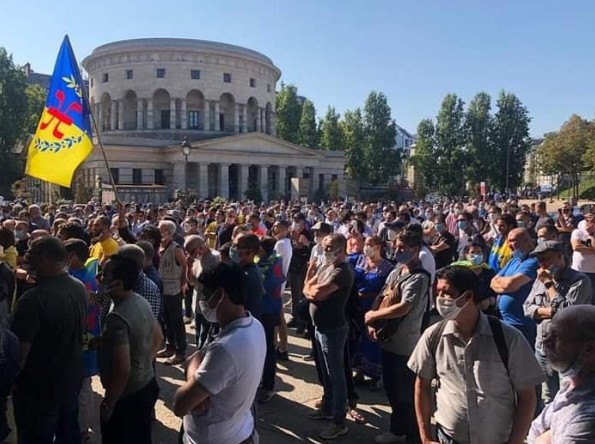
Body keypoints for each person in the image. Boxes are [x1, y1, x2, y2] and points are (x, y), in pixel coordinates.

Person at [409, 266, 545, 444]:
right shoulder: (434, 336)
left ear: (468, 296)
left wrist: (516, 441)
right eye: (438, 292)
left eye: (447, 293)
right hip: (448, 438)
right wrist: (426, 437)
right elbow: (422, 386)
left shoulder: (507, 338)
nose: (440, 299)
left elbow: (527, 397)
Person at [173, 263, 266, 444]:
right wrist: (197, 380)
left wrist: (194, 383)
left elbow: (180, 404)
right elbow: (196, 358)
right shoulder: (254, 325)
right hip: (239, 430)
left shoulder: (225, 349)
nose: (203, 301)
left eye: (206, 294)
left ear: (220, 295)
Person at [11, 236, 87, 444]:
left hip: (38, 389)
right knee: (68, 432)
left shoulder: (33, 299)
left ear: (43, 258)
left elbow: (21, 352)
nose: (26, 260)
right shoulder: (78, 286)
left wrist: (10, 384)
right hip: (70, 378)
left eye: (29, 255)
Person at [365, 230, 430, 444]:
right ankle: (397, 429)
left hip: (405, 344)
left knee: (406, 394)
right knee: (392, 389)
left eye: (403, 248)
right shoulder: (397, 271)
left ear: (415, 250)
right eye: (396, 246)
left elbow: (403, 307)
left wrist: (373, 314)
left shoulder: (419, 277)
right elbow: (383, 295)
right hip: (388, 339)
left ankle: (413, 435)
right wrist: (373, 322)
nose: (398, 250)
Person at [99, 254, 162, 444]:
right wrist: (142, 364)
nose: (100, 278)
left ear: (117, 283)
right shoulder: (140, 300)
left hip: (127, 396)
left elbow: (122, 368)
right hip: (146, 384)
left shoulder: (117, 317)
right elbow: (158, 337)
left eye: (104, 274)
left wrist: (109, 404)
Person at [523, 241, 593, 410]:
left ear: (561, 257)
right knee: (547, 397)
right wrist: (550, 311)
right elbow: (527, 307)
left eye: (547, 259)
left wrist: (550, 286)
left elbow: (567, 314)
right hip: (544, 347)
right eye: (540, 261)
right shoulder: (540, 280)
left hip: (570, 352)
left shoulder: (579, 281)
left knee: (570, 398)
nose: (543, 264)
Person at [303, 233, 354, 440]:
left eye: (330, 247)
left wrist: (309, 290)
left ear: (341, 249)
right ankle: (327, 407)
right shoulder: (326, 265)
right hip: (319, 326)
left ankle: (338, 421)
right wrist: (309, 288)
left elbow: (316, 293)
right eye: (324, 246)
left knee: (336, 375)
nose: (326, 250)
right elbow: (307, 284)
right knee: (325, 373)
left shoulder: (342, 272)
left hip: (333, 329)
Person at [528, 305, 595, 443]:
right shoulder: (570, 385)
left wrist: (547, 436)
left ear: (588, 349)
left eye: (556, 336)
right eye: (548, 333)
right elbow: (534, 431)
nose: (546, 341)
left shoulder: (589, 412)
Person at [64, 238, 101, 442]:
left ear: (72, 257)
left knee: (83, 389)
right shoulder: (93, 272)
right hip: (88, 338)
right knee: (83, 387)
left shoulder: (78, 278)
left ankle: (82, 430)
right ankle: (80, 428)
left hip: (81, 340)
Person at [491, 228, 539, 347]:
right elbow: (492, 282)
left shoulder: (533, 262)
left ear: (526, 240)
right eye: (508, 241)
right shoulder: (514, 261)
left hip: (523, 325)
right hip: (506, 322)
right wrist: (505, 287)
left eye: (513, 241)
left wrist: (504, 285)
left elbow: (511, 284)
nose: (509, 245)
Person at [257, 237, 286, 403]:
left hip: (268, 309)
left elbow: (273, 282)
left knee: (268, 348)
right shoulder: (261, 260)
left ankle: (268, 385)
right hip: (260, 308)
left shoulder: (275, 261)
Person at [157, 220, 188, 365]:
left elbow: (184, 266)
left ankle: (180, 352)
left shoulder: (176, 248)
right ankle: (169, 347)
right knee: (166, 320)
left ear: (169, 232)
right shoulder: (160, 247)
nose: (160, 233)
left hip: (174, 289)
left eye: (162, 230)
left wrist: (183, 283)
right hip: (163, 289)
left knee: (176, 321)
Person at [185, 235, 220, 349]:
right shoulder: (197, 260)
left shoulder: (214, 258)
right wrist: (189, 267)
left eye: (192, 252)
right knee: (198, 335)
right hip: (198, 303)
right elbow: (191, 282)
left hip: (208, 305)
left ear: (200, 247)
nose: (192, 256)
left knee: (205, 338)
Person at [230, 234, 264, 320]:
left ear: (249, 252)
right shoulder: (245, 269)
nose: (233, 248)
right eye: (233, 245)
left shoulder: (247, 275)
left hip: (242, 323)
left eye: (237, 246)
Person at [570, 212, 595, 293]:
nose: (590, 223)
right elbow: (576, 247)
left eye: (593, 222)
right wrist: (593, 249)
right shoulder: (577, 232)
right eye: (588, 221)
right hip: (578, 271)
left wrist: (591, 235)